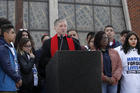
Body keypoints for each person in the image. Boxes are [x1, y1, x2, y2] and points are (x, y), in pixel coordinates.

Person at [0, 24, 22, 93]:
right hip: (5, 87)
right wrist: (17, 78)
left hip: (12, 85)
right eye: (12, 32)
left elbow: (16, 64)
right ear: (5, 34)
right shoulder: (2, 48)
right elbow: (6, 66)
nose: (15, 35)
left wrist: (17, 78)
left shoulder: (11, 48)